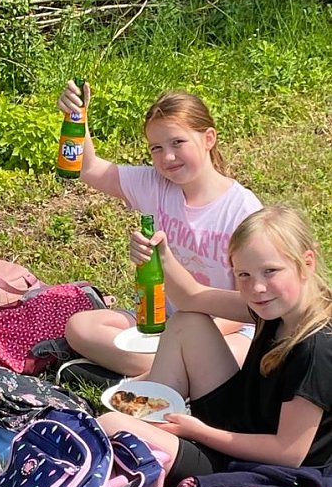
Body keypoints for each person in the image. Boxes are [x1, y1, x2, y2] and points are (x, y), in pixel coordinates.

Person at [99, 205, 332, 487]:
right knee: (188, 322)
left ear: (307, 263)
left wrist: (200, 433)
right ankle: (154, 417)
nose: (257, 287)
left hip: (262, 470)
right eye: (243, 274)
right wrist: (161, 256)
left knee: (110, 424)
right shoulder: (280, 305)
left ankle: (154, 435)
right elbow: (191, 298)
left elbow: (289, 452)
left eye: (270, 271)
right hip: (241, 425)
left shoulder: (316, 347)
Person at [57, 82, 262, 377]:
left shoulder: (241, 210)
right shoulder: (155, 184)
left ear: (209, 139)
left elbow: (252, 302)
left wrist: (191, 338)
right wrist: (77, 117)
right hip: (162, 321)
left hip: (229, 328)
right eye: (157, 148)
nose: (167, 157)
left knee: (229, 360)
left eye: (178, 143)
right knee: (80, 327)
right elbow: (89, 169)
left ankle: (148, 373)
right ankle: (163, 373)